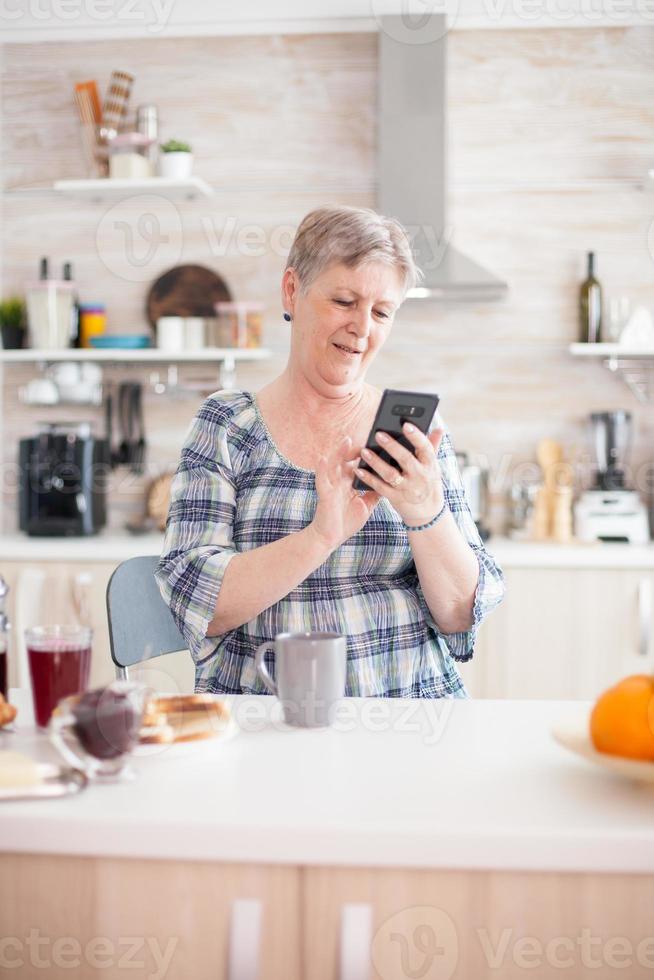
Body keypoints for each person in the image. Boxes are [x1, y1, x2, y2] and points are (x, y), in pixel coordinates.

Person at [156, 205, 505, 697]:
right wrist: (321, 536)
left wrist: (425, 512)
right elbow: (197, 601)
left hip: (412, 711)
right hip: (269, 717)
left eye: (382, 312)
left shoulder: (413, 433)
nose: (363, 328)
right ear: (292, 291)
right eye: (344, 300)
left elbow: (459, 617)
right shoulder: (227, 424)